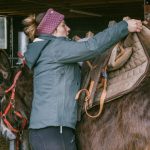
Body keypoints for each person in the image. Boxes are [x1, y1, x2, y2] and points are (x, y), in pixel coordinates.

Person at [23, 8, 142, 150]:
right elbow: (91, 47)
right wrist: (124, 26)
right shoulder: (55, 48)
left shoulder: (48, 49)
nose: (68, 29)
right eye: (63, 25)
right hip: (54, 130)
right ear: (53, 31)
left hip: (48, 130)